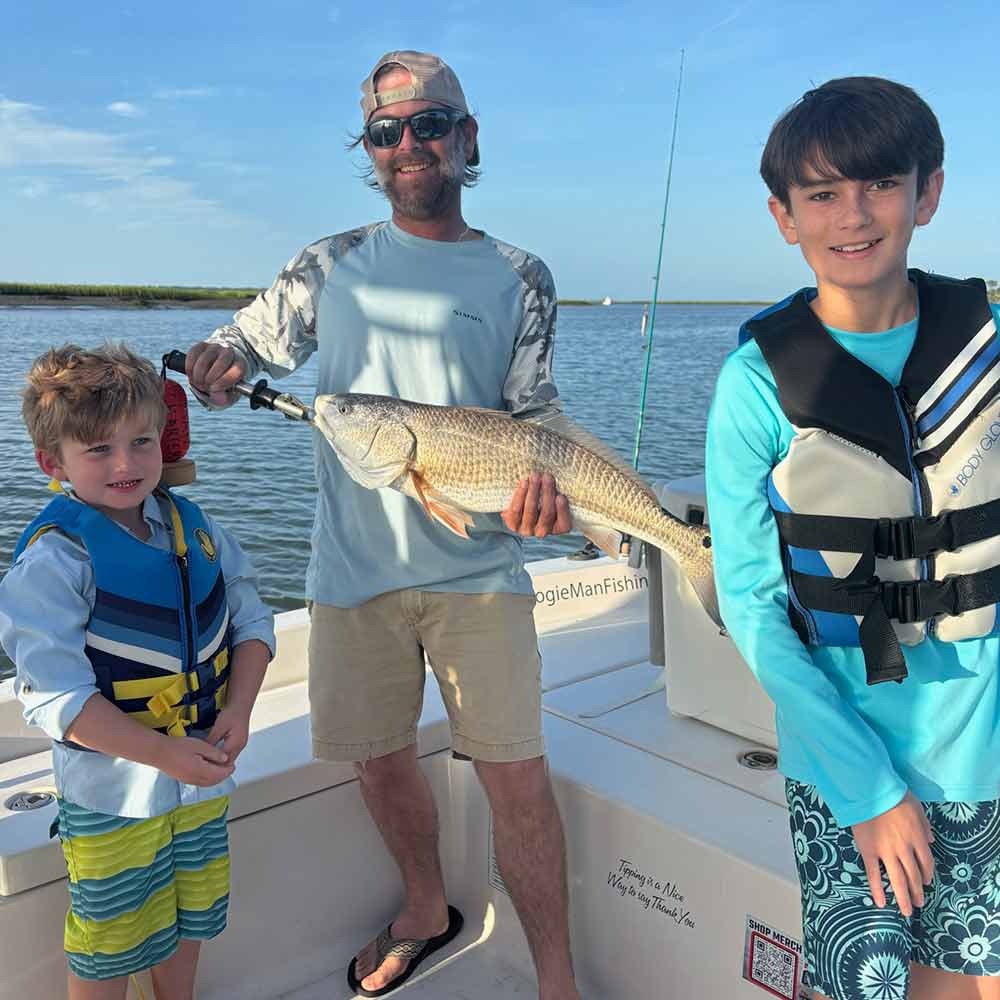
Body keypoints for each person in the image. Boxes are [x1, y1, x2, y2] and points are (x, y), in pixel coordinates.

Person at [184, 50, 583, 999]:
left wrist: (549, 490)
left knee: (517, 780)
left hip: (481, 569)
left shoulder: (521, 275)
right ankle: (424, 907)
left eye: (429, 123)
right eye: (385, 130)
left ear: (466, 136)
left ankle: (558, 981)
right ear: (368, 148)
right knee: (377, 760)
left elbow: (536, 418)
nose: (409, 144)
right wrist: (215, 357)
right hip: (351, 568)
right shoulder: (329, 264)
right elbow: (246, 340)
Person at [706, 76, 1000, 1000]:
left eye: (878, 184)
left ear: (930, 191)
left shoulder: (984, 346)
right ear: (784, 216)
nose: (854, 215)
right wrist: (869, 793)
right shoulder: (753, 387)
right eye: (822, 194)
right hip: (847, 758)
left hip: (984, 747)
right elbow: (753, 606)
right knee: (869, 986)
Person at [0, 343, 275, 1000]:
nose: (126, 464)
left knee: (191, 920)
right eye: (98, 450)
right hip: (111, 799)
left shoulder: (195, 528)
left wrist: (236, 710)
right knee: (108, 947)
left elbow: (253, 623)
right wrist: (163, 755)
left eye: (142, 442)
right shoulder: (55, 563)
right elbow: (57, 700)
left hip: (201, 782)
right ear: (52, 462)